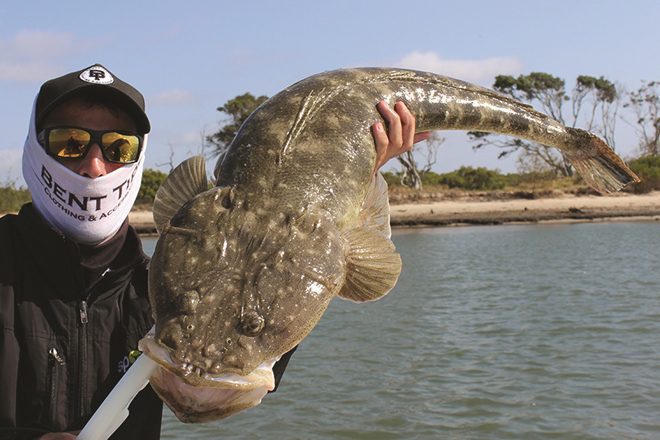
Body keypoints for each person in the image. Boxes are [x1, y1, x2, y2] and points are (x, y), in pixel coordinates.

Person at [0, 63, 428, 439]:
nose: (94, 166)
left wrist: (351, 174)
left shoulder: (156, 286)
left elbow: (220, 387)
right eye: (70, 143)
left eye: (118, 148)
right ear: (36, 147)